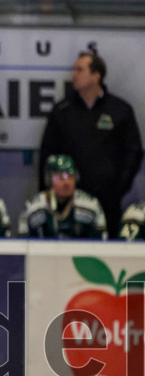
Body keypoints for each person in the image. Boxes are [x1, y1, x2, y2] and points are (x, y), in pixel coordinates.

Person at [39, 52, 143, 238]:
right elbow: (47, 153)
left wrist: (119, 188)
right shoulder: (62, 111)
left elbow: (133, 152)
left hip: (107, 199)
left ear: (96, 76)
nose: (74, 75)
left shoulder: (120, 110)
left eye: (80, 70)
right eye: (74, 70)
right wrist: (47, 192)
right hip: (68, 199)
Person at [18, 155, 107, 239]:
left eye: (71, 176)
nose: (66, 182)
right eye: (60, 177)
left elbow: (102, 243)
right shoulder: (33, 208)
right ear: (48, 179)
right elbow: (22, 243)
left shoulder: (90, 206)